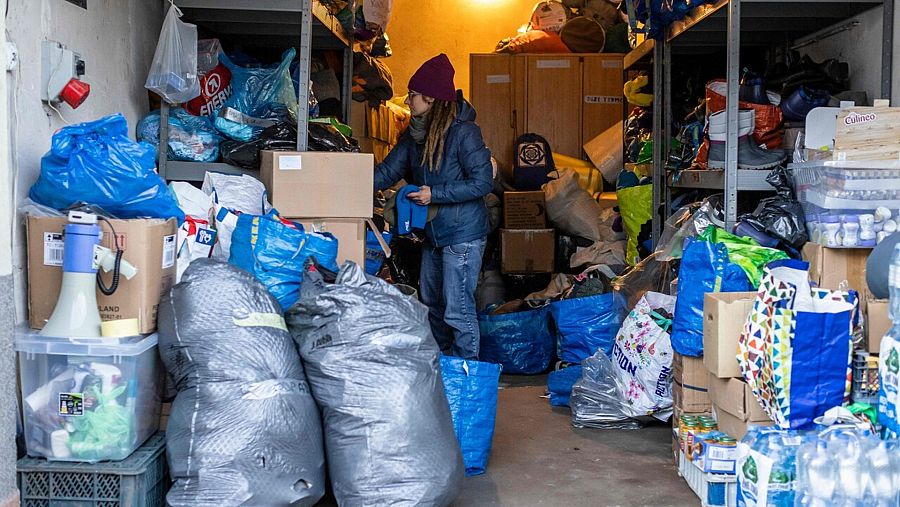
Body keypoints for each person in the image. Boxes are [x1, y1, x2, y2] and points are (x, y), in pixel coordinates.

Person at [374, 54, 493, 360]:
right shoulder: (415, 135)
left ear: (430, 98)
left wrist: (434, 194)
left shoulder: (464, 133)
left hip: (463, 233)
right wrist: (342, 184)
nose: (409, 101)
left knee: (458, 308)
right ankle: (442, 368)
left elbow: (482, 183)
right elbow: (387, 172)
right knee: (431, 304)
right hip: (434, 233)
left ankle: (465, 374)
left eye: (413, 95)